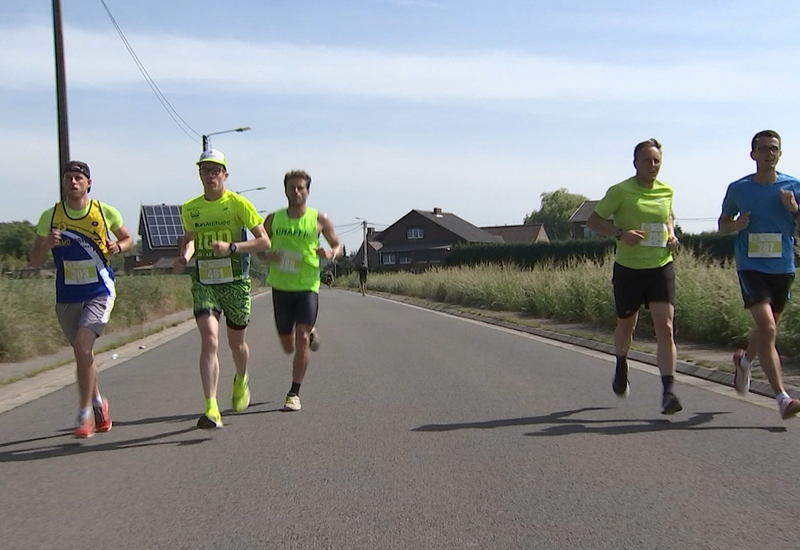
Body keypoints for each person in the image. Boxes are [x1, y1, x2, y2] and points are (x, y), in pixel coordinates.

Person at [29, 160, 133, 438]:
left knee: (83, 347)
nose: (73, 182)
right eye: (68, 178)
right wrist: (45, 244)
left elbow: (128, 239)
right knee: (82, 354)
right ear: (63, 184)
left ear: (88, 183)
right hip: (66, 295)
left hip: (99, 291)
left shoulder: (103, 211)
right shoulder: (50, 217)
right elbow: (34, 261)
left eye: (78, 178)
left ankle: (83, 413)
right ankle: (99, 403)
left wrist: (118, 246)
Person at [173, 149, 269, 429]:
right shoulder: (190, 208)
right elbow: (190, 239)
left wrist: (233, 248)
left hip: (236, 282)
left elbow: (264, 242)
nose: (210, 175)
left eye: (216, 171)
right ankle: (211, 407)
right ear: (199, 175)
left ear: (225, 175)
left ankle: (241, 378)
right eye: (205, 170)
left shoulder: (239, 204)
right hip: (205, 282)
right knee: (209, 340)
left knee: (236, 344)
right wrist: (185, 257)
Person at [587, 139, 682, 415]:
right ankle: (621, 363)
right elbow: (594, 222)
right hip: (629, 270)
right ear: (635, 163)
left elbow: (667, 218)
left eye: (656, 161)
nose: (652, 166)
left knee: (665, 328)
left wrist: (671, 235)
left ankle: (668, 391)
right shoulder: (620, 191)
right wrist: (620, 233)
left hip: (660, 266)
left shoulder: (667, 191)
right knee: (626, 327)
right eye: (647, 160)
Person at [718, 130, 800, 419]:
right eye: (763, 149)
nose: (769, 153)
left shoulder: (794, 186)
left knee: (767, 331)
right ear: (753, 154)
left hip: (783, 267)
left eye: (774, 148)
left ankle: (745, 361)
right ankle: (782, 397)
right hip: (751, 267)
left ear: (780, 153)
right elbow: (723, 224)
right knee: (767, 329)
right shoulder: (739, 189)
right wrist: (737, 224)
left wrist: (794, 209)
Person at [261, 170, 342, 412]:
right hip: (281, 285)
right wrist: (267, 255)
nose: (296, 191)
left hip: (307, 285)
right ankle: (309, 330)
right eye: (292, 187)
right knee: (288, 344)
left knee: (302, 339)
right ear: (285, 190)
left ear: (308, 191)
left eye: (301, 188)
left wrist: (330, 253)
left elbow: (337, 245)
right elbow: (258, 248)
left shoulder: (320, 219)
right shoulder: (273, 220)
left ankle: (293, 393)